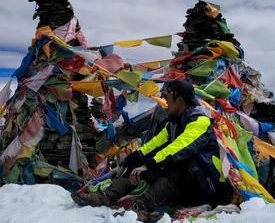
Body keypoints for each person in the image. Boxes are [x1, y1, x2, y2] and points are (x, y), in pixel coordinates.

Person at [71, 80, 232, 220]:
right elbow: (151, 146)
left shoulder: (200, 122)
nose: (166, 103)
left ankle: (141, 208)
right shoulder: (174, 124)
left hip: (207, 187)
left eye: (168, 99)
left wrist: (148, 166)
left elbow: (177, 149)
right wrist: (127, 163)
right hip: (188, 185)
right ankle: (104, 197)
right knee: (141, 161)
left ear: (180, 100)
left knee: (176, 162)